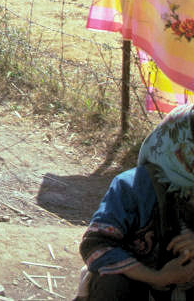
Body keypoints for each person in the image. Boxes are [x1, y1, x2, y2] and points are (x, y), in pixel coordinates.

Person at [78, 103, 194, 299]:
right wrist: (159, 277)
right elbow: (96, 245)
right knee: (112, 282)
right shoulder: (133, 186)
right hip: (138, 286)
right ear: (181, 144)